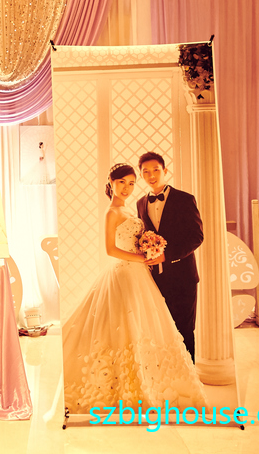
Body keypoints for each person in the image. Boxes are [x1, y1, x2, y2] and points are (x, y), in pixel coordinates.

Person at [62, 163, 206, 414]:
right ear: (111, 183)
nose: (127, 188)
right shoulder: (111, 213)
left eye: (131, 183)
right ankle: (124, 382)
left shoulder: (132, 207)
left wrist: (151, 249)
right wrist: (143, 257)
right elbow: (110, 249)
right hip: (126, 273)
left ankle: (155, 377)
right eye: (122, 182)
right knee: (125, 327)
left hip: (143, 274)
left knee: (148, 325)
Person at [137, 151, 203, 362]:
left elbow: (196, 237)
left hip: (183, 278)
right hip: (154, 280)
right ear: (141, 175)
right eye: (145, 172)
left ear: (165, 171)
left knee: (184, 329)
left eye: (156, 170)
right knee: (159, 330)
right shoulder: (140, 203)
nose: (151, 175)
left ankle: (190, 375)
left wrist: (168, 255)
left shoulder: (185, 199)